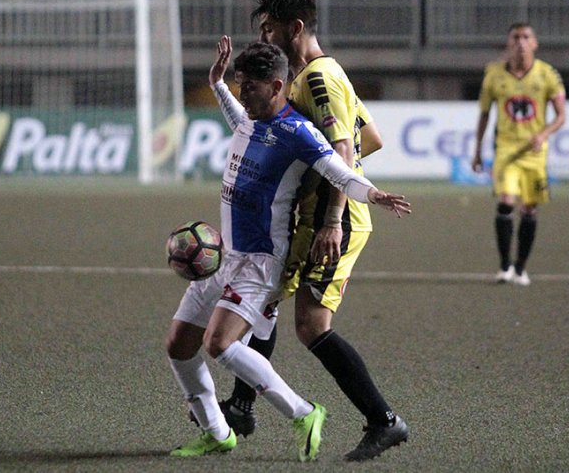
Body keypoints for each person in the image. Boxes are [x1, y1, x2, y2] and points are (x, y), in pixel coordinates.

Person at [166, 37, 411, 461]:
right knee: (178, 345)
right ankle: (217, 431)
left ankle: (302, 412)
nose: (245, 95)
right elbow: (237, 119)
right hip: (226, 256)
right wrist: (218, 84)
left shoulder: (297, 133)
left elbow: (340, 171)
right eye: (241, 86)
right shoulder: (250, 117)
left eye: (251, 88)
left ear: (277, 86)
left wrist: (373, 195)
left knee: (219, 344)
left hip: (260, 262)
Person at [471, 22, 566, 286]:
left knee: (530, 209)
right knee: (506, 200)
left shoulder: (548, 75)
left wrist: (543, 134)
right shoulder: (494, 76)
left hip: (535, 153)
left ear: (534, 43)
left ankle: (521, 267)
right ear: (508, 43)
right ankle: (504, 267)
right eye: (515, 37)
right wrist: (477, 150)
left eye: (526, 37)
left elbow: (561, 116)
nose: (521, 42)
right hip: (506, 150)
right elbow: (484, 114)